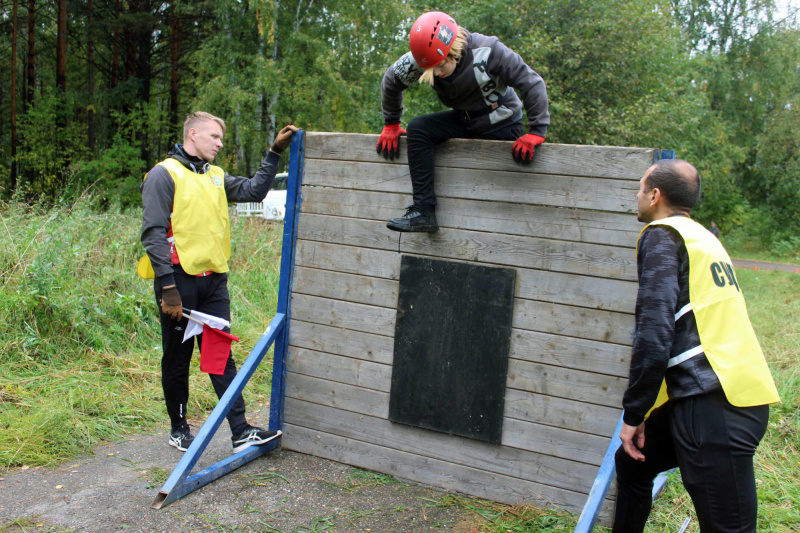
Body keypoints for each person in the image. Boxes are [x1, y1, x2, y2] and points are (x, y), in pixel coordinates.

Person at [613, 159, 780, 533]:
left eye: (640, 188)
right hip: (730, 392)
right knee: (633, 463)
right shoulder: (705, 238)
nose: (637, 196)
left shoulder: (662, 235)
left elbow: (654, 334)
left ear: (655, 195)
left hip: (713, 408)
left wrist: (634, 414)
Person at [138, 111, 298, 453]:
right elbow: (152, 234)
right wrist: (167, 288)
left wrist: (274, 152)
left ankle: (240, 430)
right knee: (177, 358)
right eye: (214, 136)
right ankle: (178, 427)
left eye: (221, 138)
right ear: (192, 134)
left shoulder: (215, 176)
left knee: (219, 354)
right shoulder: (163, 175)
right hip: (177, 283)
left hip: (213, 282)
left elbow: (255, 191)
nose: (220, 143)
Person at [377, 11, 550, 233]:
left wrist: (537, 130)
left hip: (502, 124)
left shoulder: (488, 50)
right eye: (431, 68)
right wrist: (391, 123)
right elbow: (391, 82)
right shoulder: (424, 59)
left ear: (454, 52)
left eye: (440, 66)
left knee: (504, 189)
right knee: (419, 128)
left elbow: (531, 82)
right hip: (466, 120)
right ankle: (424, 212)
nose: (436, 73)